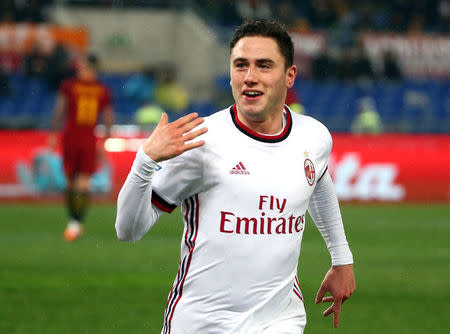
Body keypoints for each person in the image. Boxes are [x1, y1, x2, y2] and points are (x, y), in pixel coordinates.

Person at [115, 20, 355, 333]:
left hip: (280, 319)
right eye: (240, 65)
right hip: (202, 322)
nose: (250, 77)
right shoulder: (200, 142)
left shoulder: (314, 137)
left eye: (264, 65)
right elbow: (127, 230)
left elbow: (319, 184)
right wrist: (145, 161)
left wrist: (341, 258)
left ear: (290, 75)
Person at [50, 53, 114, 242]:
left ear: (88, 67)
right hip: (88, 139)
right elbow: (108, 117)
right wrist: (105, 140)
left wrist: (53, 133)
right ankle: (76, 223)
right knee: (80, 181)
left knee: (73, 181)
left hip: (72, 137)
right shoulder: (102, 89)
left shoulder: (69, 85)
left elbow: (60, 110)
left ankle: (74, 222)